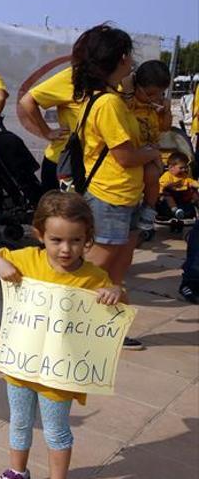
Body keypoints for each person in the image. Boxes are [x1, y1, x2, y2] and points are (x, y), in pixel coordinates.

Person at [0, 191, 123, 479]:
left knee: (56, 431)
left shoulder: (93, 276)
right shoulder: (27, 259)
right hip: (21, 366)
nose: (66, 249)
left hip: (60, 372)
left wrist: (114, 292)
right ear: (40, 234)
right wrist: (1, 264)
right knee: (20, 423)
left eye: (76, 240)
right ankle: (16, 471)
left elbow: (118, 301)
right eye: (56, 240)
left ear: (87, 238)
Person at [71, 25, 159, 350]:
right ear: (122, 58)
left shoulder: (112, 99)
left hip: (126, 196)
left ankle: (109, 327)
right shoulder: (107, 104)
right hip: (110, 197)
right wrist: (151, 154)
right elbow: (124, 156)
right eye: (130, 56)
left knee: (119, 269)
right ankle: (72, 329)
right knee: (94, 270)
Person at [120, 59, 172, 229]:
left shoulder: (155, 106)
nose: (155, 98)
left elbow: (164, 128)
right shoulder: (127, 100)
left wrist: (166, 111)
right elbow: (123, 115)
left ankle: (149, 209)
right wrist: (127, 90)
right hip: (131, 152)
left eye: (160, 94)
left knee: (152, 175)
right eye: (150, 94)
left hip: (150, 152)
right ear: (136, 86)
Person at [18, 67, 80, 193]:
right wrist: (47, 131)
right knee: (66, 208)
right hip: (65, 166)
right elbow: (27, 101)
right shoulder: (73, 77)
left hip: (92, 165)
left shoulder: (118, 83)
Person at [158, 152, 198, 218]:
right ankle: (175, 210)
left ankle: (197, 202)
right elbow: (162, 185)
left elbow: (191, 181)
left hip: (182, 194)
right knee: (167, 196)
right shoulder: (167, 176)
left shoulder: (184, 176)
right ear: (171, 167)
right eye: (181, 168)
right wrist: (173, 184)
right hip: (171, 193)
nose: (184, 170)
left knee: (193, 192)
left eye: (185, 167)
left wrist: (195, 184)